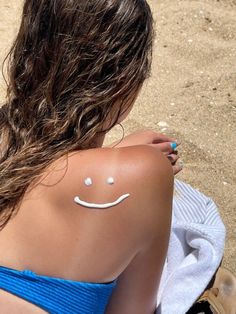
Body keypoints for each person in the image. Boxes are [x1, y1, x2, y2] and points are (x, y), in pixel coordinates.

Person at [0, 1, 182, 313]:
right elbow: (132, 309)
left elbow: (42, 180)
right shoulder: (141, 175)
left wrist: (112, 157)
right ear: (128, 78)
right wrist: (132, 165)